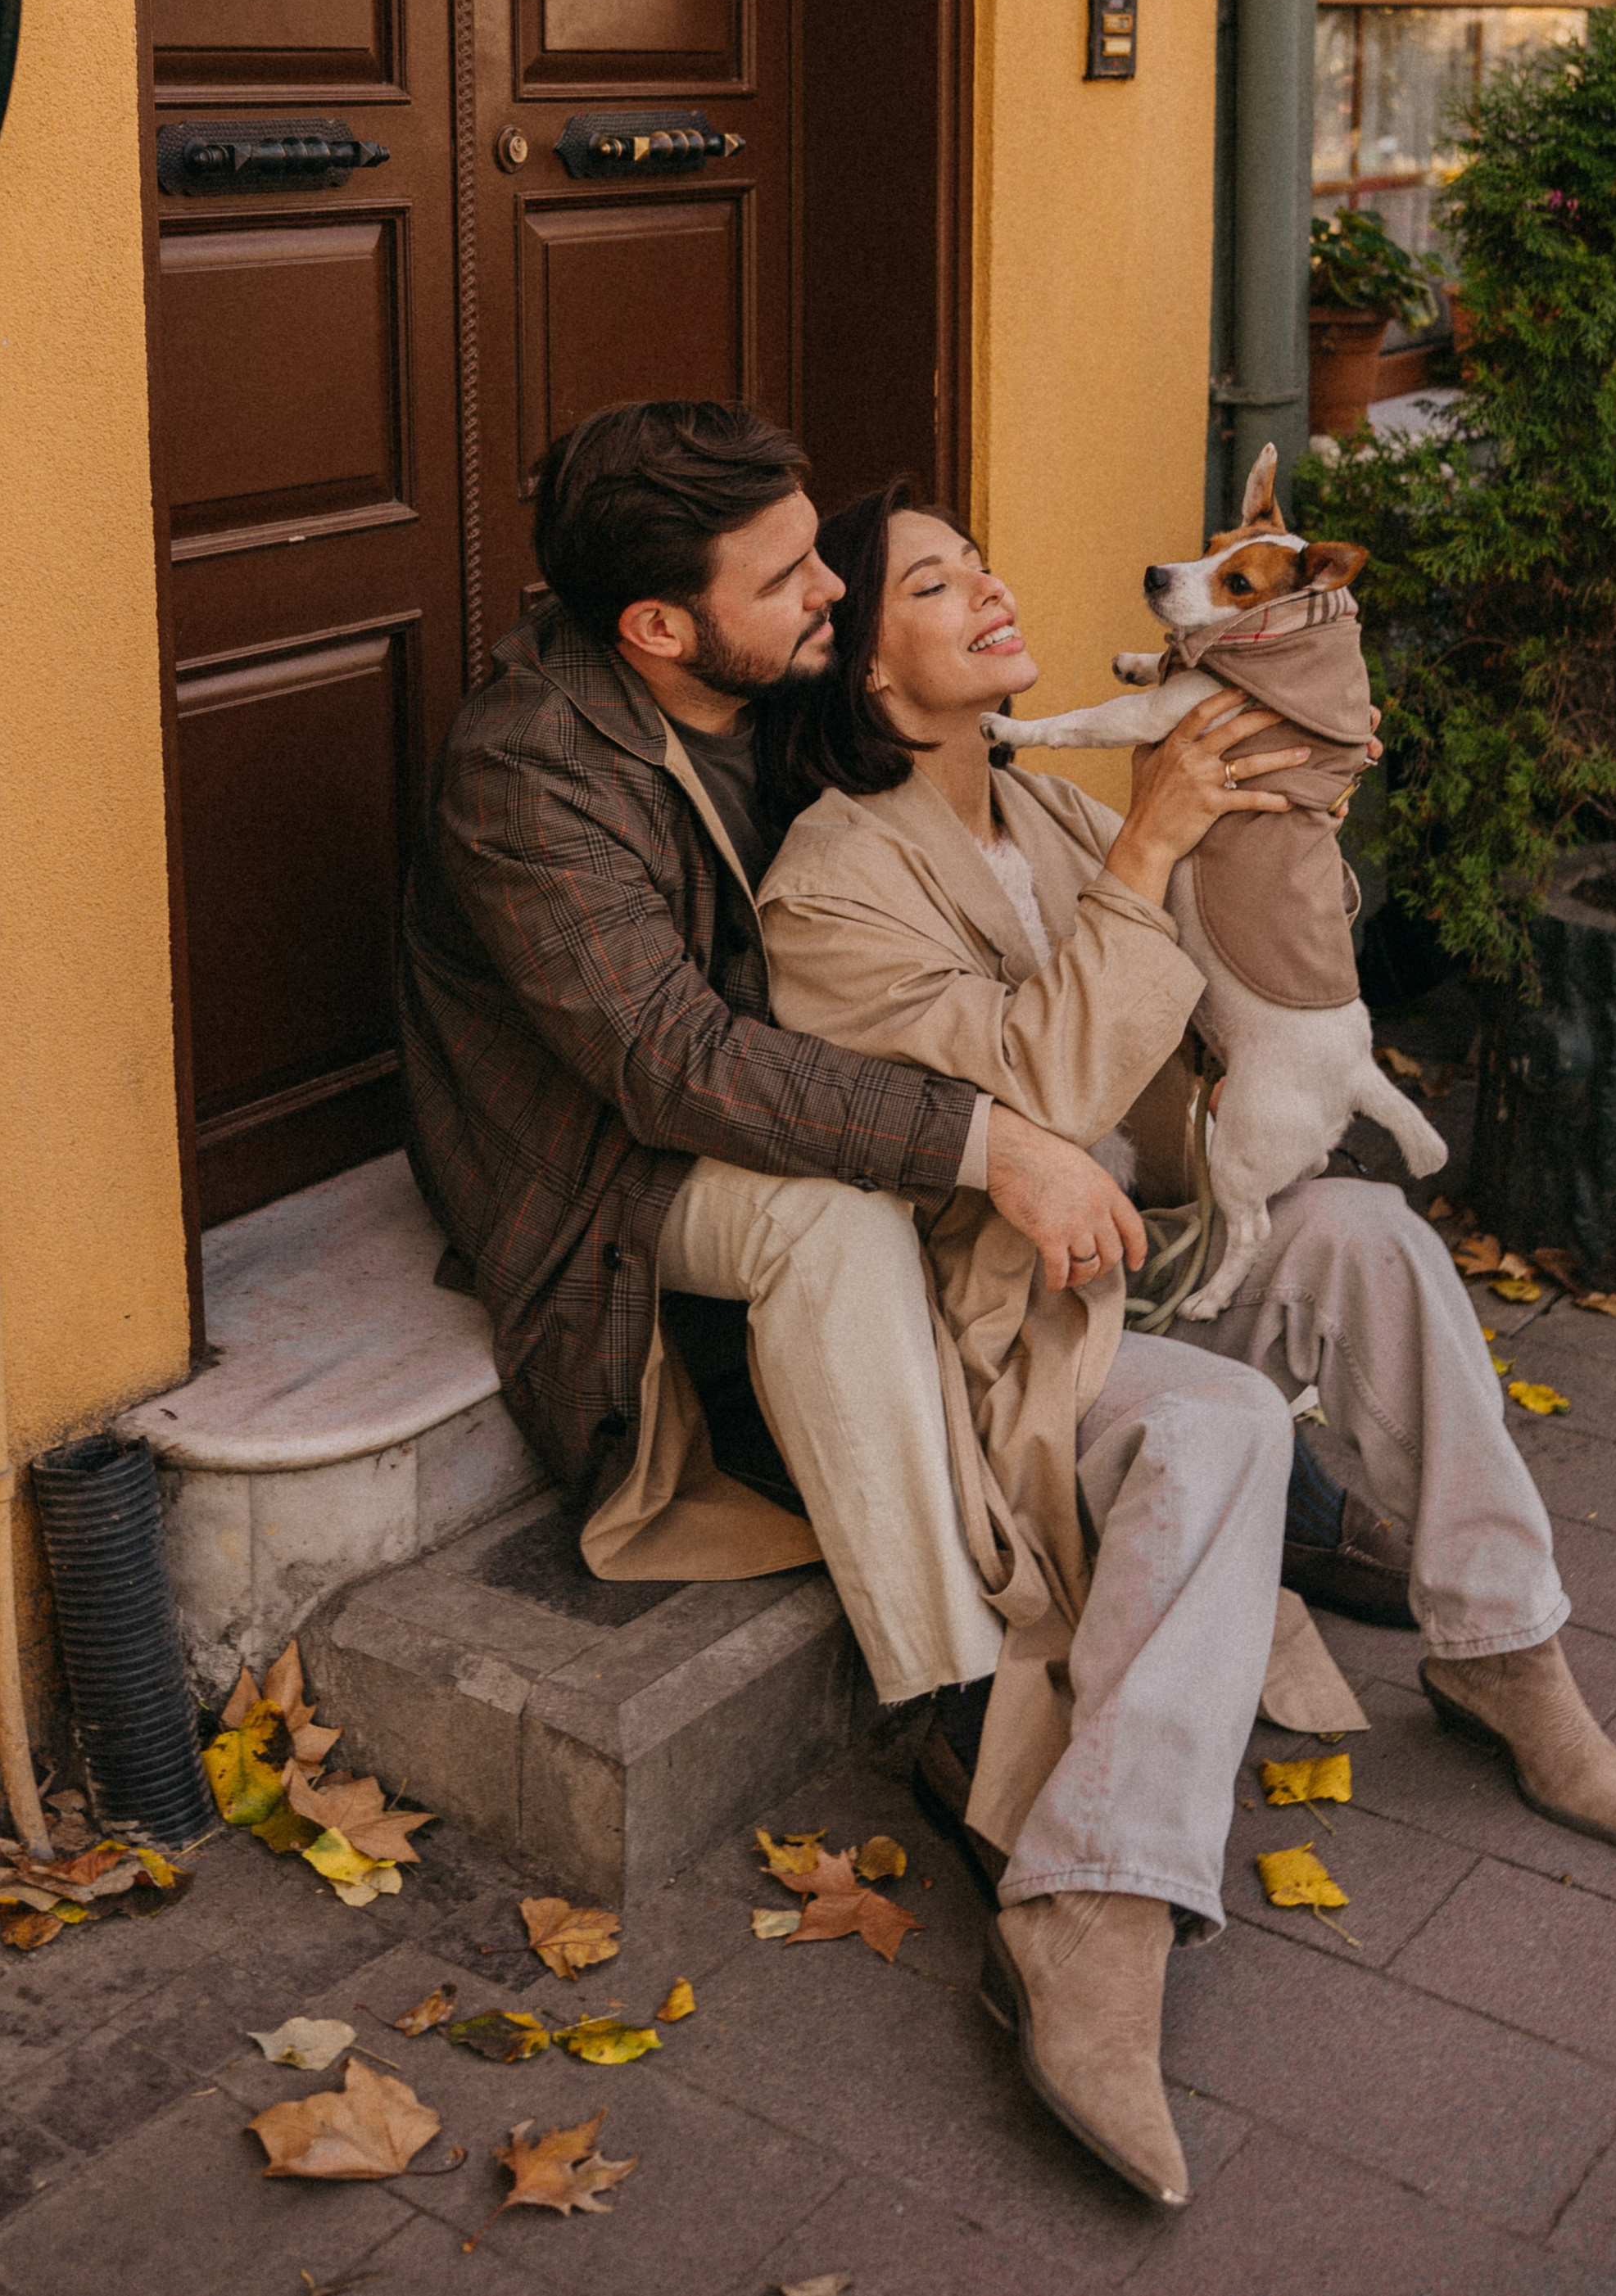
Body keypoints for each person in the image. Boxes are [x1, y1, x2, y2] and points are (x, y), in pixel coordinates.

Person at [754, 486, 1616, 2194]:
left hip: (1163, 1243)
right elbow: (1019, 1110)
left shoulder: (1037, 804)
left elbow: (1180, 1070)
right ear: (877, 684)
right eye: (937, 582)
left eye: (982, 555)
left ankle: (1501, 1645)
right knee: (1218, 1435)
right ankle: (1089, 1911)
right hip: (1021, 1323)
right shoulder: (828, 889)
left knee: (1374, 1239)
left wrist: (1276, 979)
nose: (990, 586)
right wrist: (1148, 853)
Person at [396, 398, 1312, 1749]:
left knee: (963, 1189)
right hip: (607, 1167)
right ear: (657, 625)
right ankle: (953, 1696)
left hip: (776, 1090)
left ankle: (1208, 1480)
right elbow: (672, 1066)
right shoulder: (529, 776)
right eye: (786, 577)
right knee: (839, 1216)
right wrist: (991, 1139)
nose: (833, 581)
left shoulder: (764, 678)